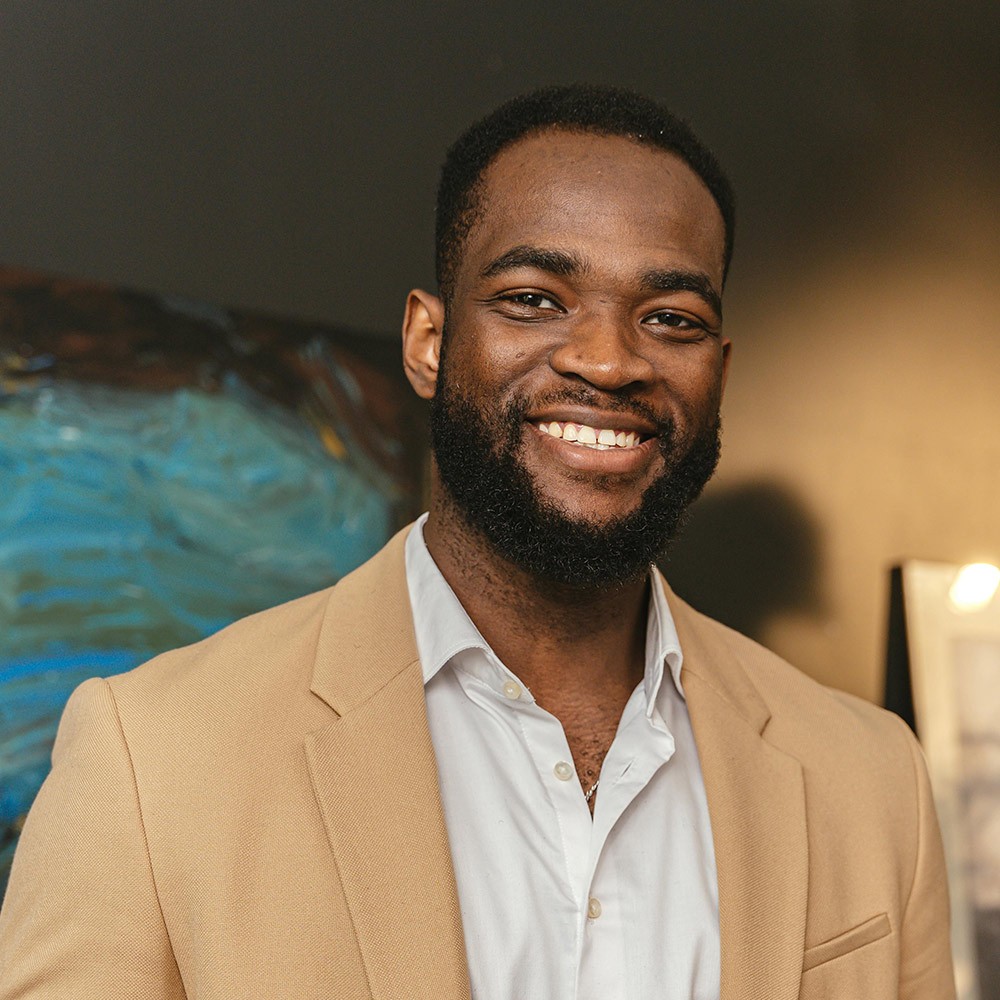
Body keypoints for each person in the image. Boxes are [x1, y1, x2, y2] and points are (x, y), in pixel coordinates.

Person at [0, 85, 954, 1000]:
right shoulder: (154, 759)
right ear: (428, 340)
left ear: (720, 369)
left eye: (671, 319)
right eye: (535, 298)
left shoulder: (870, 780)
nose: (610, 360)